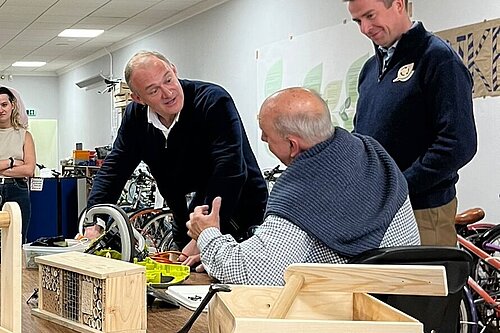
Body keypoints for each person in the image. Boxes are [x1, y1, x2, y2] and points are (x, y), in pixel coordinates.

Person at [186, 87, 420, 285]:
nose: (263, 140)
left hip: (349, 312)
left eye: (266, 134)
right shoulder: (371, 153)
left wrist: (208, 236)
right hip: (400, 298)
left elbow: (252, 274)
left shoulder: (302, 193)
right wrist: (216, 258)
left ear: (292, 145)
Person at [85, 50, 268, 268]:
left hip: (236, 206)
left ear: (174, 69)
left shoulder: (213, 101)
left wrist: (205, 236)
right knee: (184, 275)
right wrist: (95, 220)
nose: (168, 93)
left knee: (224, 278)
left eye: (168, 80)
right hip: (187, 212)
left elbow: (229, 170)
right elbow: (114, 170)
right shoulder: (135, 118)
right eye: (153, 90)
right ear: (138, 99)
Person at [345, 0, 477, 246]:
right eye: (358, 21)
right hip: (380, 214)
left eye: (370, 16)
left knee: (423, 285)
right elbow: (364, 138)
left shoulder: (437, 58)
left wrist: (398, 187)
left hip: (423, 213)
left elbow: (458, 145)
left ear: (397, 5)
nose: (365, 28)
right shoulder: (369, 70)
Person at [0, 86, 36, 243]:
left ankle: (15, 269)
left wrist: (2, 168)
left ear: (12, 105)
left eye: (4, 104)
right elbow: (23, 167)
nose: (1, 109)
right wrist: (12, 162)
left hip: (17, 189)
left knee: (17, 240)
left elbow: (29, 169)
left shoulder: (24, 135)